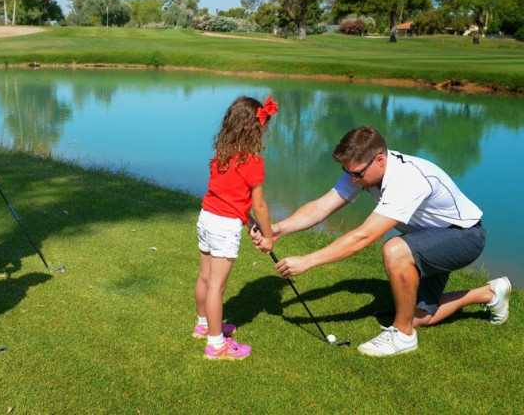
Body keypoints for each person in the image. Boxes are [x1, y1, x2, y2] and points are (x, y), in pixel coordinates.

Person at [260, 126, 511, 357]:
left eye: (357, 173)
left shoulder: (406, 180)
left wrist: (307, 261)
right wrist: (279, 228)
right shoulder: (364, 171)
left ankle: (402, 336)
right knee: (420, 317)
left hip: (465, 238)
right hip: (431, 238)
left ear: (379, 159)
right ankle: (489, 293)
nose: (353, 179)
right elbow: (322, 207)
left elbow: (364, 236)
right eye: (347, 173)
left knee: (395, 250)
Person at [194, 95, 278, 360]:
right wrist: (268, 236)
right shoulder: (253, 163)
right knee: (217, 286)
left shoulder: (222, 155)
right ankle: (217, 345)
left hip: (207, 217)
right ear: (256, 128)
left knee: (205, 278)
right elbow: (260, 206)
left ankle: (203, 325)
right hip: (223, 226)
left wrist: (247, 221)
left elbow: (228, 197)